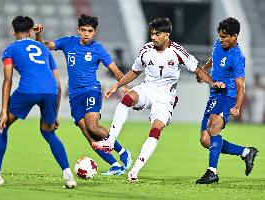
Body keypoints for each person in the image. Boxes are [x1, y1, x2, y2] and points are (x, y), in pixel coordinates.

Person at [92, 17, 225, 182]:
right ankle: (110, 141)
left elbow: (197, 70)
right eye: (152, 34)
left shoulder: (177, 51)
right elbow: (135, 71)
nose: (153, 37)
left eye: (157, 34)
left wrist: (212, 83)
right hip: (148, 88)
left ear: (167, 35)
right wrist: (117, 85)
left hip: (165, 97)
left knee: (155, 129)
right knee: (127, 98)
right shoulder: (146, 50)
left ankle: (135, 171)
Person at [0, 16, 76, 189]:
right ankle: (69, 176)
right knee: (48, 133)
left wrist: (4, 110)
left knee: (1, 125)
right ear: (31, 31)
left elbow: (8, 79)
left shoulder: (10, 49)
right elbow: (58, 84)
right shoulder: (44, 49)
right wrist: (55, 113)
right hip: (50, 91)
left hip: (28, 90)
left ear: (13, 31)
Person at [34, 14, 132, 175]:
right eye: (84, 30)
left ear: (95, 32)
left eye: (90, 31)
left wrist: (124, 86)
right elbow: (43, 46)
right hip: (74, 95)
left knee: (92, 126)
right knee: (87, 133)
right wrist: (38, 34)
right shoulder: (68, 42)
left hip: (91, 90)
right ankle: (114, 165)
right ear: (78, 30)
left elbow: (115, 70)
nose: (87, 34)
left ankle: (123, 152)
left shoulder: (98, 48)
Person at [195, 17, 258, 184]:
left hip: (227, 96)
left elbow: (240, 86)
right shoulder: (219, 43)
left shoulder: (237, 58)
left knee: (213, 129)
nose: (221, 40)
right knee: (205, 139)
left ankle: (212, 172)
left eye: (224, 37)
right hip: (214, 95)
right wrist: (203, 70)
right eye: (220, 36)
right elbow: (214, 58)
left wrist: (237, 106)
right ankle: (245, 152)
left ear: (235, 36)